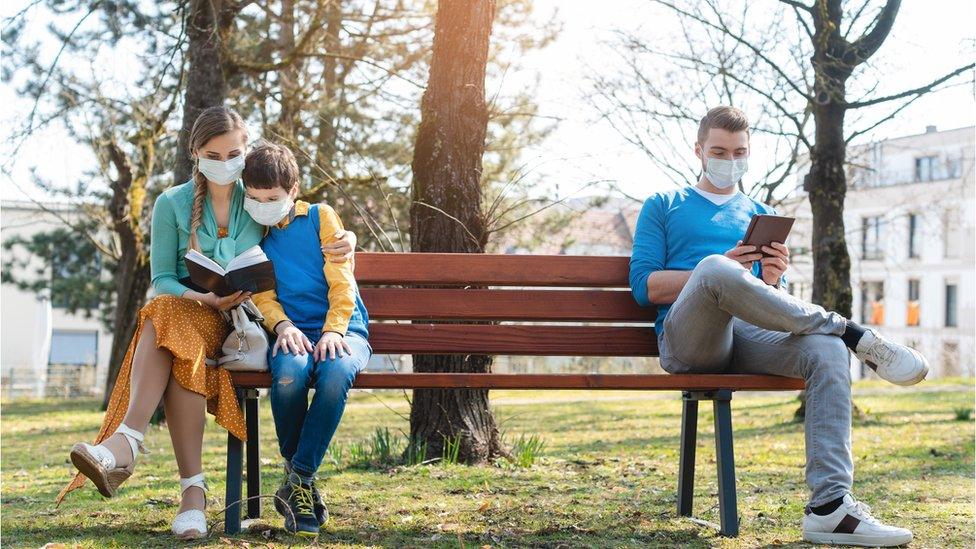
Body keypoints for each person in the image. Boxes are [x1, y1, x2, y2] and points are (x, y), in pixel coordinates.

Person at [629, 106, 928, 547]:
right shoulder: (664, 205)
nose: (729, 160)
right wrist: (714, 272)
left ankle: (830, 508)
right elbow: (645, 287)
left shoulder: (760, 212)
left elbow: (771, 305)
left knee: (825, 351)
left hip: (749, 336)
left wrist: (771, 279)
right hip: (689, 341)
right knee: (714, 267)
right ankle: (850, 331)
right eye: (718, 150)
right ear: (698, 151)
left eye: (739, 152)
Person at [59, 107, 357, 540]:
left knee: (168, 330)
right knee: (172, 324)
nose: (225, 162)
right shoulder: (171, 204)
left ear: (246, 148)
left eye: (233, 152)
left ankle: (130, 450)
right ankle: (185, 493)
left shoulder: (254, 196)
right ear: (194, 153)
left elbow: (299, 215)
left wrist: (348, 238)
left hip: (242, 325)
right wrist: (202, 296)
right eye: (213, 154)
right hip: (194, 312)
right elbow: (161, 277)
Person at [245, 141, 371, 537]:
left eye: (273, 197)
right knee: (289, 375)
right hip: (291, 333)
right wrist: (282, 326)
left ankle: (297, 477)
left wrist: (334, 330)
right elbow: (262, 295)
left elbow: (342, 281)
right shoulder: (253, 235)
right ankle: (302, 486)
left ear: (293, 191)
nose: (263, 204)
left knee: (334, 375)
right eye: (254, 197)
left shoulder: (320, 217)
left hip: (343, 327)